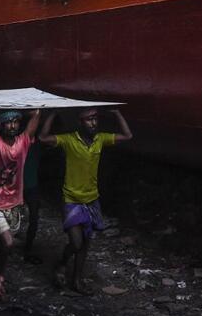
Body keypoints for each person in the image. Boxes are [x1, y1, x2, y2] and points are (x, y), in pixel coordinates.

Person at [39, 108, 133, 295]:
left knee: (86, 244)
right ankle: (62, 264)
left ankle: (77, 280)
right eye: (89, 120)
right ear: (80, 122)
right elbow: (43, 138)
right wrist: (51, 115)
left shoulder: (100, 139)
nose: (94, 123)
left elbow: (127, 136)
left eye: (95, 119)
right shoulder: (69, 140)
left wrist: (117, 114)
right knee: (76, 243)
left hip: (92, 200)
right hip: (72, 199)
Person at [0, 107, 41, 302]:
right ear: (0, 125)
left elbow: (37, 114)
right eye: (8, 122)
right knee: (8, 242)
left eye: (15, 121)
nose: (13, 125)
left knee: (4, 244)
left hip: (15, 203)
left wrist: (22, 108)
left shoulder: (23, 143)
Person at [21, 141, 43, 264]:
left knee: (34, 218)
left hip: (31, 186)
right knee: (10, 217)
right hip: (18, 186)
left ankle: (28, 248)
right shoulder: (17, 143)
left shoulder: (36, 146)